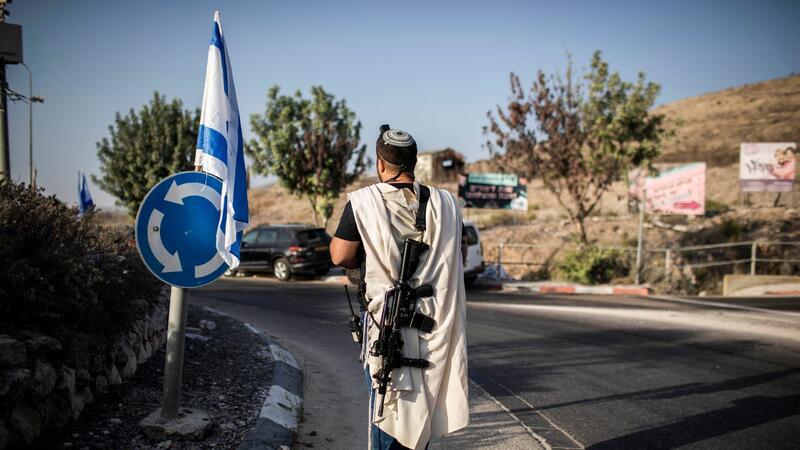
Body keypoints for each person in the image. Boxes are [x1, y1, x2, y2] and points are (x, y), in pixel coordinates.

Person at [330, 126, 469, 450]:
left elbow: (341, 256)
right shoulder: (446, 204)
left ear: (380, 164)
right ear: (414, 162)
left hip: (385, 324)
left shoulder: (363, 202)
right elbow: (458, 255)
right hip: (436, 324)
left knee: (386, 403)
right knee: (421, 404)